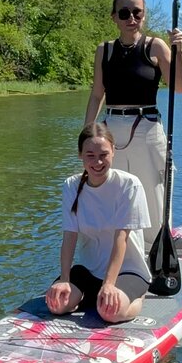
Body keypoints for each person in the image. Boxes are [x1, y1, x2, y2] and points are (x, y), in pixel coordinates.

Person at [84, 0, 182, 249]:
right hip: (112, 130)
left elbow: (180, 87)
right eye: (124, 12)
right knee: (115, 193)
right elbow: (97, 95)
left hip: (147, 129)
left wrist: (179, 51)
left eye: (137, 12)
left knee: (152, 194)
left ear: (144, 15)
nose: (131, 18)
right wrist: (88, 134)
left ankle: (157, 252)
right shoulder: (103, 51)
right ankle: (117, 253)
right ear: (114, 17)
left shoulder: (156, 47)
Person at [45, 123, 151, 324]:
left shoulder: (129, 185)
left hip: (126, 271)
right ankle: (88, 297)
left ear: (113, 152)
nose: (98, 162)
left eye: (103, 154)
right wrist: (64, 280)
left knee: (110, 313)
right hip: (89, 270)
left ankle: (137, 296)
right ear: (80, 155)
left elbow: (121, 239)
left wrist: (110, 284)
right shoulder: (71, 186)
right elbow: (69, 237)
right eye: (90, 155)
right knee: (56, 305)